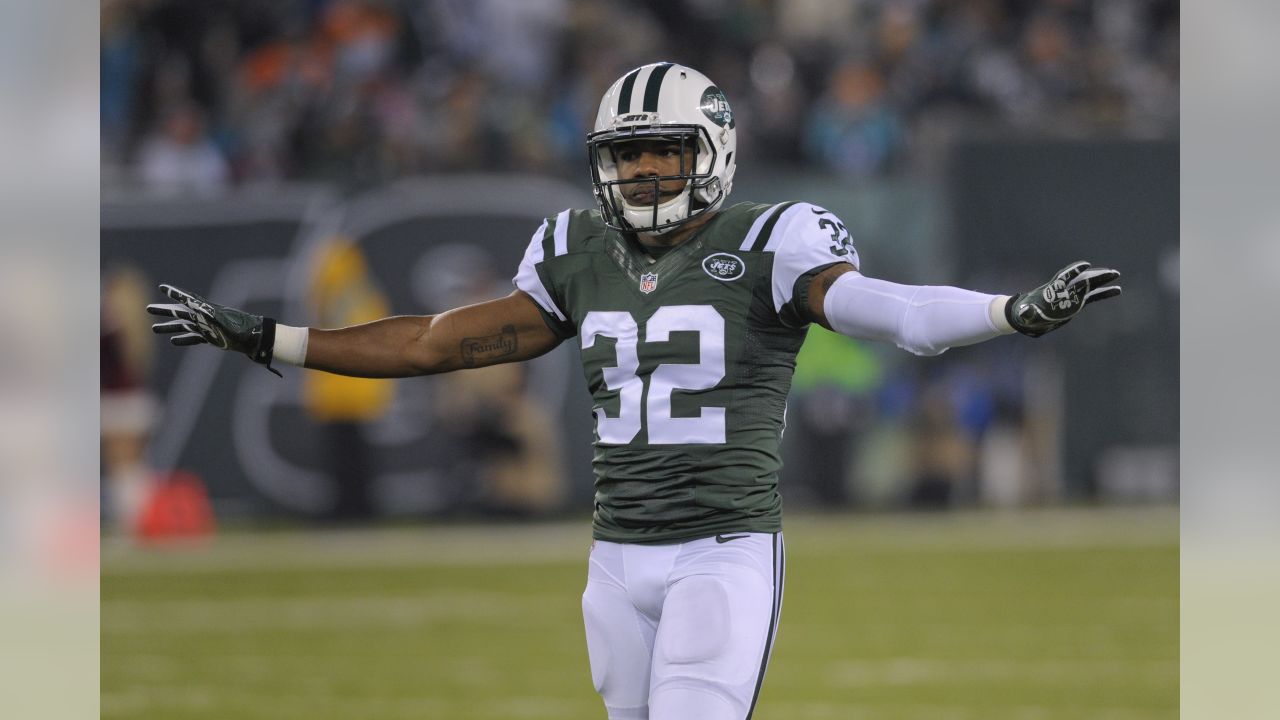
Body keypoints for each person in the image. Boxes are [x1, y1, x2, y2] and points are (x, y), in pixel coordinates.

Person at [147, 62, 1120, 720]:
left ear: (714, 151)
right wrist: (275, 337)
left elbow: (889, 313)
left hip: (720, 550)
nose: (645, 171)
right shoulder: (573, 249)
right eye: (627, 154)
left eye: (665, 151)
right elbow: (438, 345)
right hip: (615, 559)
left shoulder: (769, 239)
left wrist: (1008, 313)